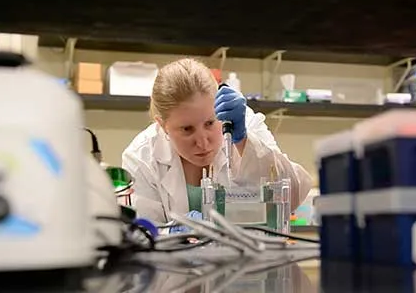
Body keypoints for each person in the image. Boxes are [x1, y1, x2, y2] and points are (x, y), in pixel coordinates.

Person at [122, 58, 313, 224]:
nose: (203, 142)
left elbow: (293, 195)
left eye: (210, 123)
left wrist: (245, 142)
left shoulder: (244, 123)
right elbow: (144, 233)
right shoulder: (141, 157)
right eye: (187, 129)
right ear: (162, 125)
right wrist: (173, 234)